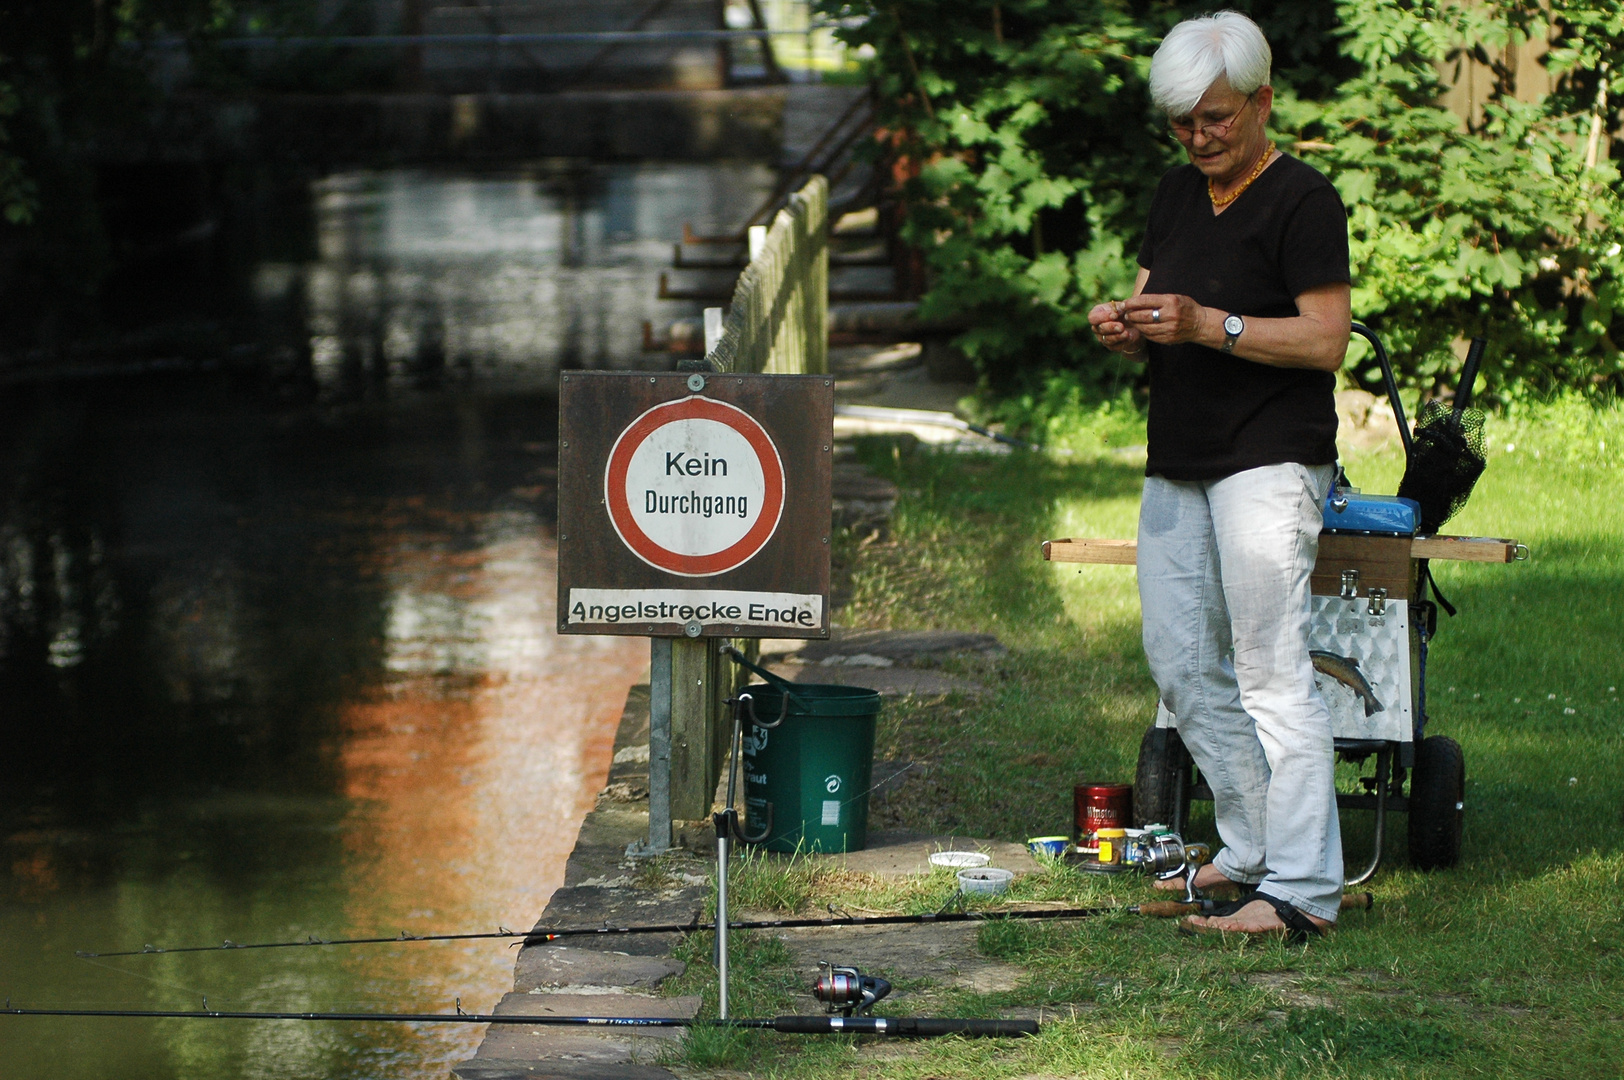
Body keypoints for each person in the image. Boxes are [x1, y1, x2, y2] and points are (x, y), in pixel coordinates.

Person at [1086, 10, 1350, 940]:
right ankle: (1248, 852)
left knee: (1272, 673)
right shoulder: (1175, 192)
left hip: (1269, 462)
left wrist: (1213, 326)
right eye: (1183, 124)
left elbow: (1325, 339)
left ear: (1262, 101)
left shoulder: (1304, 200)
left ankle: (1306, 892)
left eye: (1217, 119)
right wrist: (1131, 328)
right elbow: (1167, 304)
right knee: (1183, 664)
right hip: (1182, 458)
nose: (1200, 138)